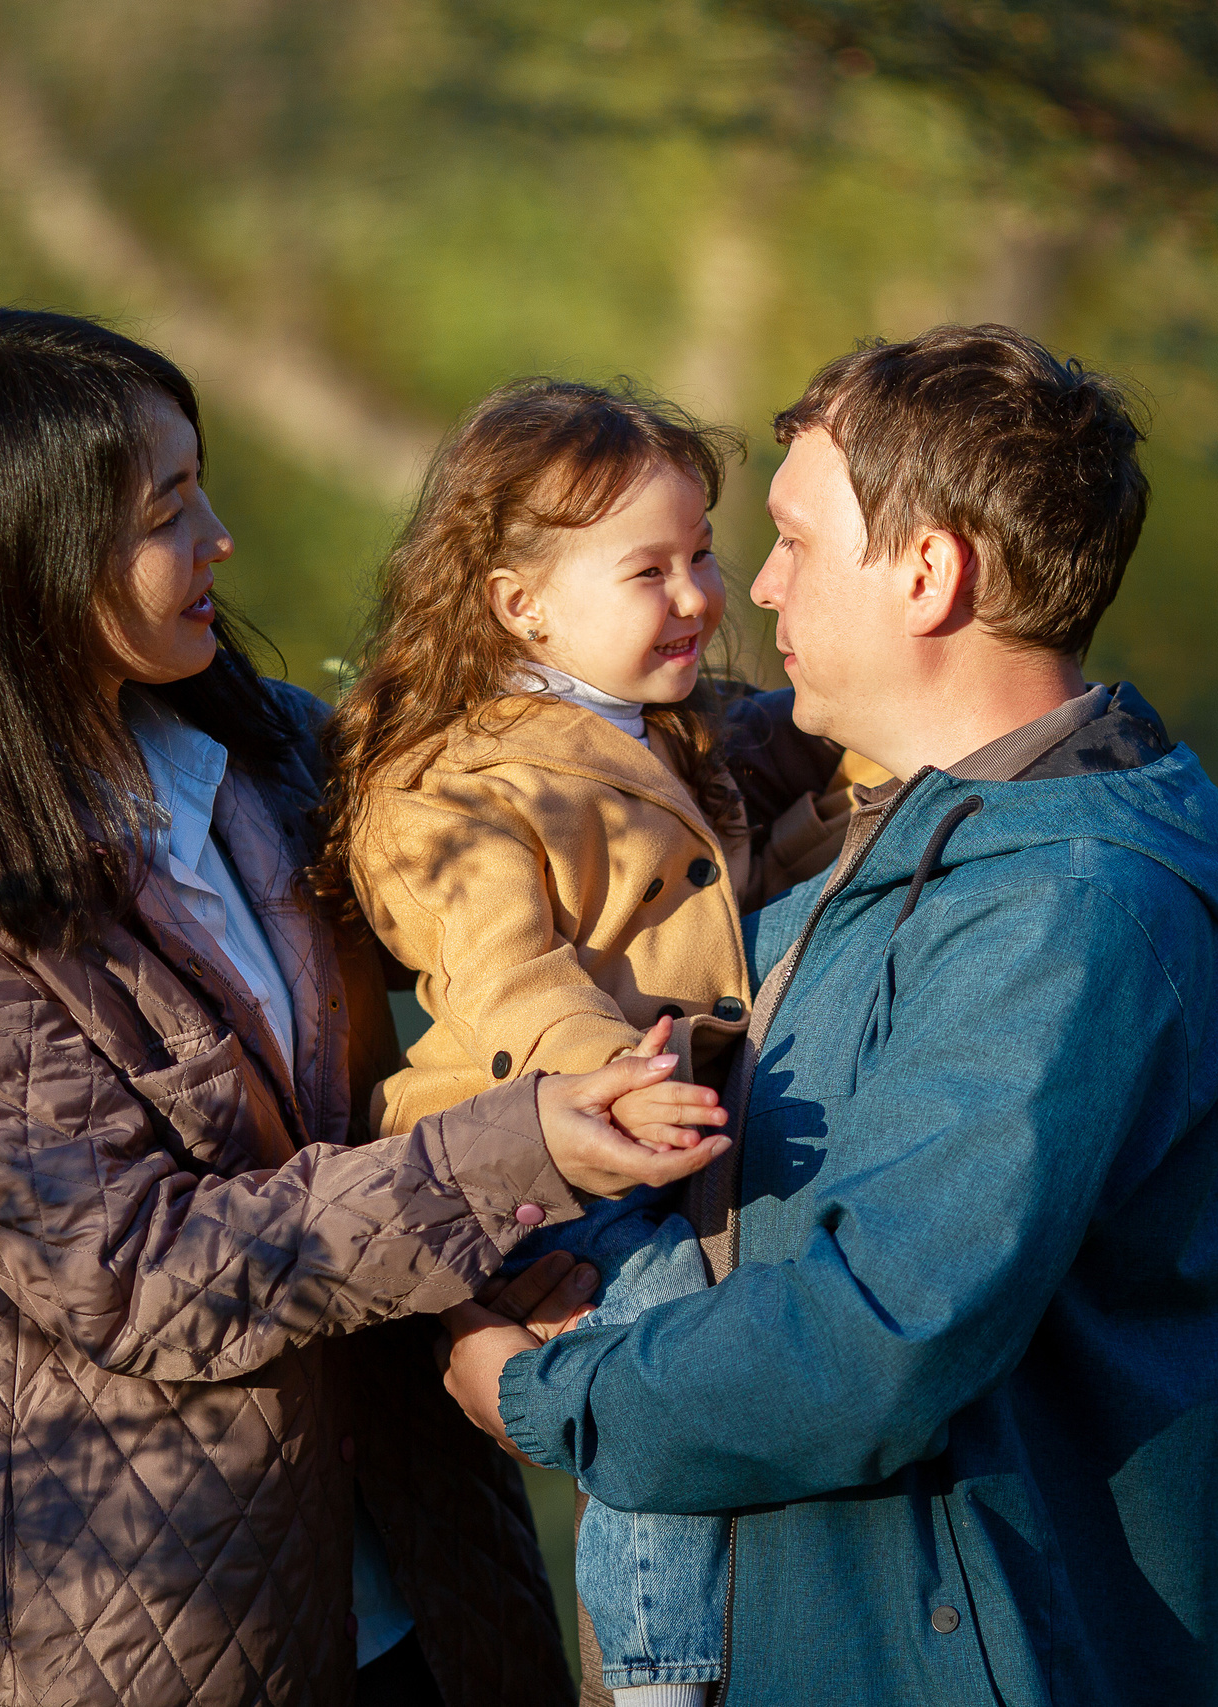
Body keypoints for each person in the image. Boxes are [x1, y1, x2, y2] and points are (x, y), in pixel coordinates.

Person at [0, 309, 726, 1707]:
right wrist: (505, 1161)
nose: (219, 538)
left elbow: (520, 819)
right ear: (25, 563)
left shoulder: (261, 749)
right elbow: (133, 1265)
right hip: (118, 1619)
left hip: (404, 1559)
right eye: (168, 512)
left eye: (200, 486)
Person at [442, 325, 1218, 1707]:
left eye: (792, 542)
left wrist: (542, 1396)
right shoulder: (886, 830)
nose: (755, 588)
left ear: (930, 573)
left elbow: (874, 1339)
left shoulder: (1067, 909)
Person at [320, 380, 852, 1707]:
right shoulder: (451, 783)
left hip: (645, 1127)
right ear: (522, 606)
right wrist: (606, 1080)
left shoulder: (650, 721)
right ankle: (660, 1667)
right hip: (539, 1152)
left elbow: (715, 890)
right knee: (657, 1331)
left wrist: (838, 812)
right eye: (649, 572)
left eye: (703, 556)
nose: (698, 596)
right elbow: (511, 978)